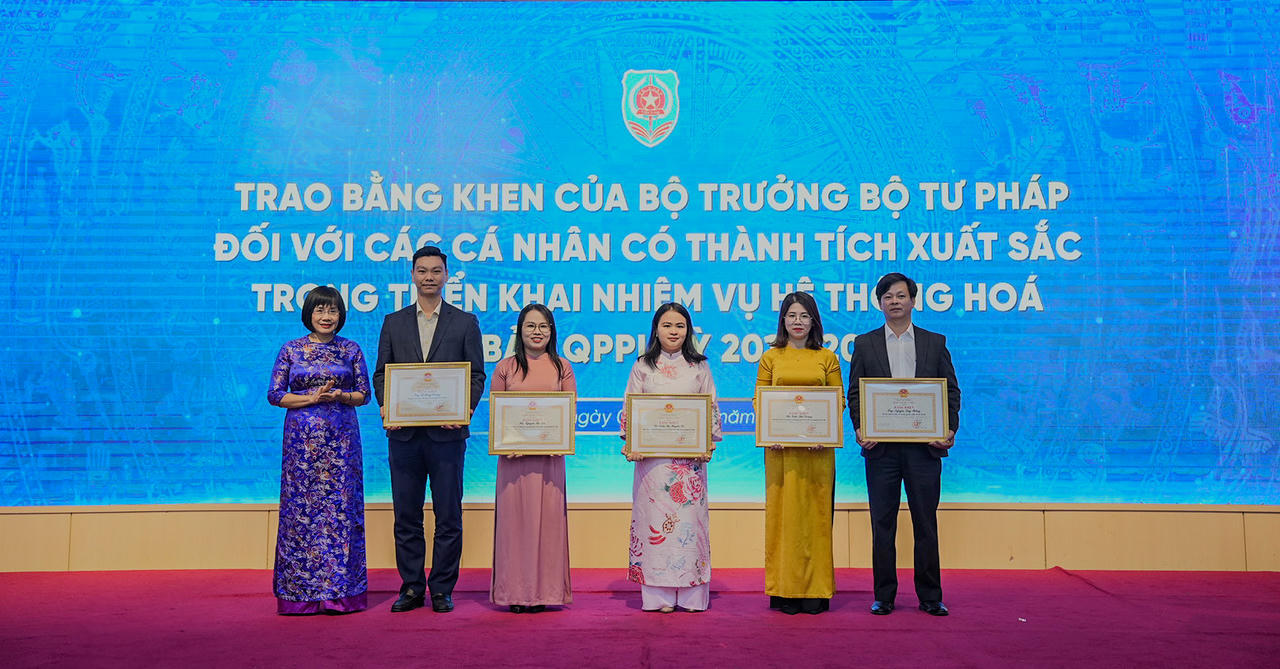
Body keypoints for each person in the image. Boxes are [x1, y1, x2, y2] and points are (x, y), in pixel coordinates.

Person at [373, 245, 486, 614]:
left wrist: (465, 409)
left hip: (447, 435)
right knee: (406, 516)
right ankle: (410, 587)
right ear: (412, 275)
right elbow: (381, 374)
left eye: (436, 271)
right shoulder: (393, 322)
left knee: (448, 516)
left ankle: (441, 589)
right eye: (422, 271)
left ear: (446, 276)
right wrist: (387, 405)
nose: (429, 277)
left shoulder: (465, 322)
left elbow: (476, 375)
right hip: (404, 436)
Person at [847, 272, 961, 617]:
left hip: (923, 448)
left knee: (925, 522)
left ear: (913, 300)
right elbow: (855, 393)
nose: (894, 301)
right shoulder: (865, 343)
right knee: (882, 524)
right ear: (879, 303)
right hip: (881, 450)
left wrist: (949, 429)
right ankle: (884, 595)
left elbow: (950, 391)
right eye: (887, 297)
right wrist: (860, 428)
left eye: (900, 295)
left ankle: (930, 596)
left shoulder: (934, 342)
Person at [266, 286, 371, 614]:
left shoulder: (351, 349)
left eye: (333, 310)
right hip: (301, 446)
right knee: (301, 513)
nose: (327, 317)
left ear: (341, 315)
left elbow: (364, 394)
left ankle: (341, 594)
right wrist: (311, 398)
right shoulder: (291, 349)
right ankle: (300, 597)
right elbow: (274, 394)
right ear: (309, 314)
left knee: (341, 511)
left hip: (342, 444)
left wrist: (340, 396)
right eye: (320, 310)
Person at [621, 303, 721, 613]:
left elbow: (711, 406)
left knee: (689, 528)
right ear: (656, 329)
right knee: (654, 526)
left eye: (680, 325)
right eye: (667, 325)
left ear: (688, 330)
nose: (674, 331)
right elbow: (630, 405)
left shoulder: (699, 366)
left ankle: (692, 597)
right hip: (652, 464)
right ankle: (658, 597)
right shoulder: (642, 366)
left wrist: (708, 442)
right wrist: (632, 442)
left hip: (688, 466)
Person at [757, 291, 843, 615]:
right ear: (783, 320)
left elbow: (837, 400)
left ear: (813, 321)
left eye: (804, 316)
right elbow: (759, 399)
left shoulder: (827, 357)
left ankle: (815, 591)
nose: (798, 322)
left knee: (815, 520)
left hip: (817, 453)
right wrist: (771, 432)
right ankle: (784, 591)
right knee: (783, 520)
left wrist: (825, 432)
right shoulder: (770, 358)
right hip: (780, 453)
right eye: (792, 315)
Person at [490, 304, 576, 613]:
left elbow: (569, 413)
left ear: (552, 331)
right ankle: (515, 593)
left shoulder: (562, 367)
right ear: (520, 330)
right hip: (513, 461)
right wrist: (503, 444)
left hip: (549, 461)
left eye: (543, 326)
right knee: (514, 528)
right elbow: (496, 416)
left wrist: (559, 439)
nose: (537, 332)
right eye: (530, 326)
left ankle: (544, 594)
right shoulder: (505, 367)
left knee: (548, 527)